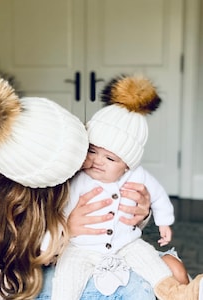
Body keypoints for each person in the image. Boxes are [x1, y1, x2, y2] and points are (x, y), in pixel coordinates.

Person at [0, 73, 156, 300]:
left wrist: (137, 211)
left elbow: (106, 205)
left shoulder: (63, 144)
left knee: (163, 267)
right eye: (81, 162)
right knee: (133, 286)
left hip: (47, 255)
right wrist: (65, 233)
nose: (90, 164)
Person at [51, 74, 203, 300]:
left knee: (150, 260)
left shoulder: (136, 176)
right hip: (79, 246)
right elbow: (59, 210)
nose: (98, 161)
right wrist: (62, 230)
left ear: (126, 167)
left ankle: (177, 293)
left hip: (125, 242)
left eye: (110, 159)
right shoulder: (74, 176)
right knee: (66, 279)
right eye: (92, 151)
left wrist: (162, 220)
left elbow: (159, 197)